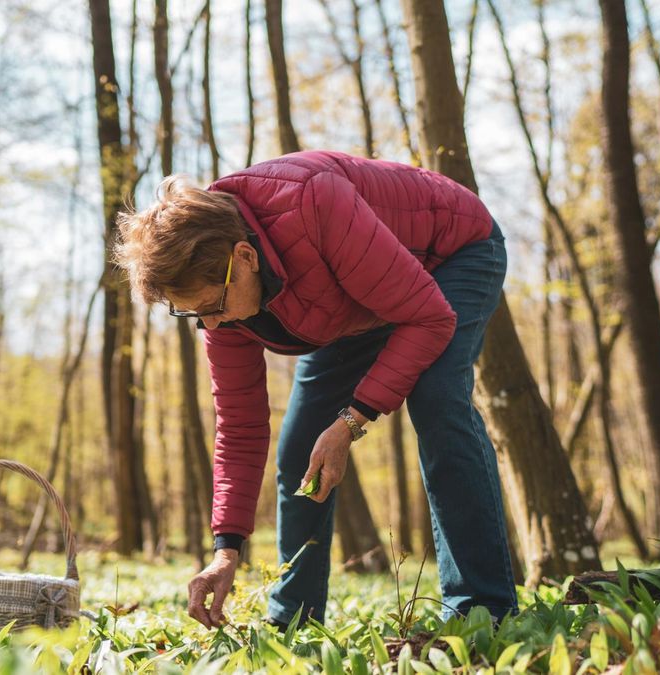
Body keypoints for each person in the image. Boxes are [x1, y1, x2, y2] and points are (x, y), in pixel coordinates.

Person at [114, 150, 516, 629]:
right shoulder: (221, 301)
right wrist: (226, 550)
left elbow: (429, 317)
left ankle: (484, 611)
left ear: (244, 257)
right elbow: (240, 428)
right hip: (358, 297)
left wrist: (351, 422)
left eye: (213, 305)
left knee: (435, 399)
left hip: (453, 252)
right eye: (194, 314)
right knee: (301, 446)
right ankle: (293, 618)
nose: (212, 322)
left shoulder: (312, 204)